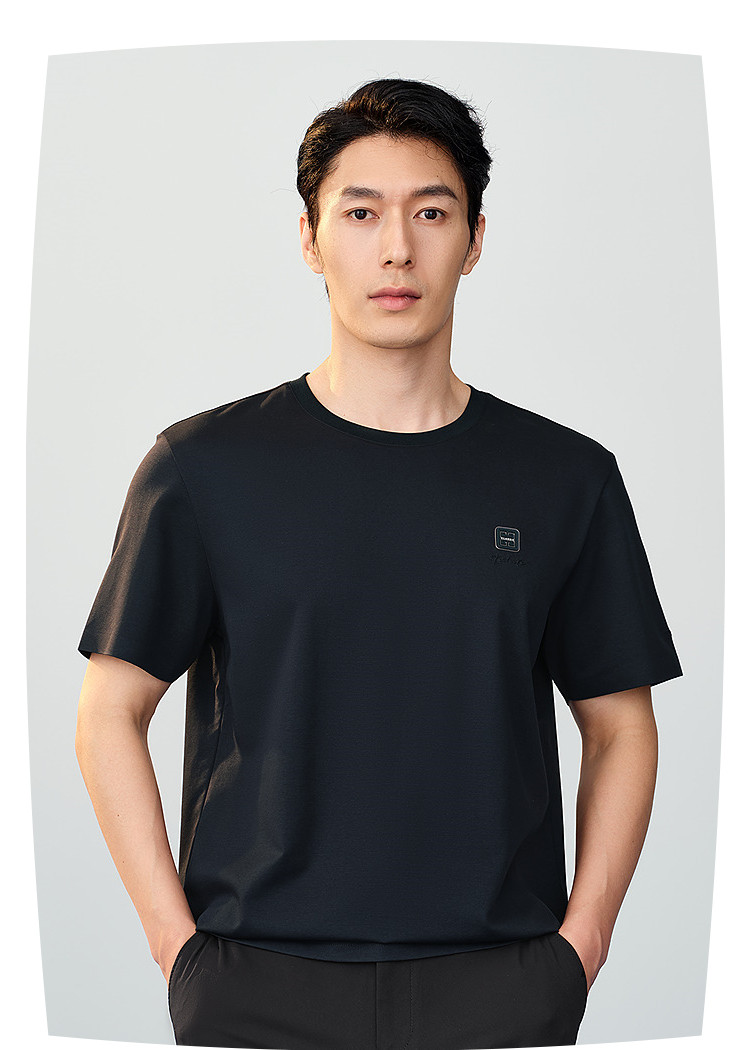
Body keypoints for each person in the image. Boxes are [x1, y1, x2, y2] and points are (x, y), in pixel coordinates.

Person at [74, 77, 683, 1049]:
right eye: (360, 213)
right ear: (311, 240)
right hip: (255, 977)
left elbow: (620, 724)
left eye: (431, 212)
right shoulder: (202, 468)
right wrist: (174, 945)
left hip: (501, 980)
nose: (397, 247)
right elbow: (110, 710)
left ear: (475, 239)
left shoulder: (565, 478)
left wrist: (583, 945)